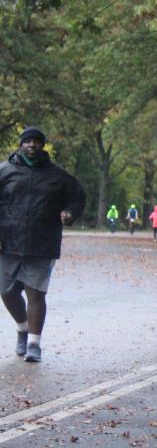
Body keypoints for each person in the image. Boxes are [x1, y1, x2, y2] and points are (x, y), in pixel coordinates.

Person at [0, 127, 86, 362]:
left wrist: (70, 213)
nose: (32, 145)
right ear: (21, 144)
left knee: (35, 293)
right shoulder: (5, 171)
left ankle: (34, 344)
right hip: (8, 242)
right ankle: (23, 329)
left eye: (37, 142)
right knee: (7, 292)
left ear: (42, 146)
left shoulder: (57, 175)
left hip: (42, 242)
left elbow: (77, 196)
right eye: (28, 141)